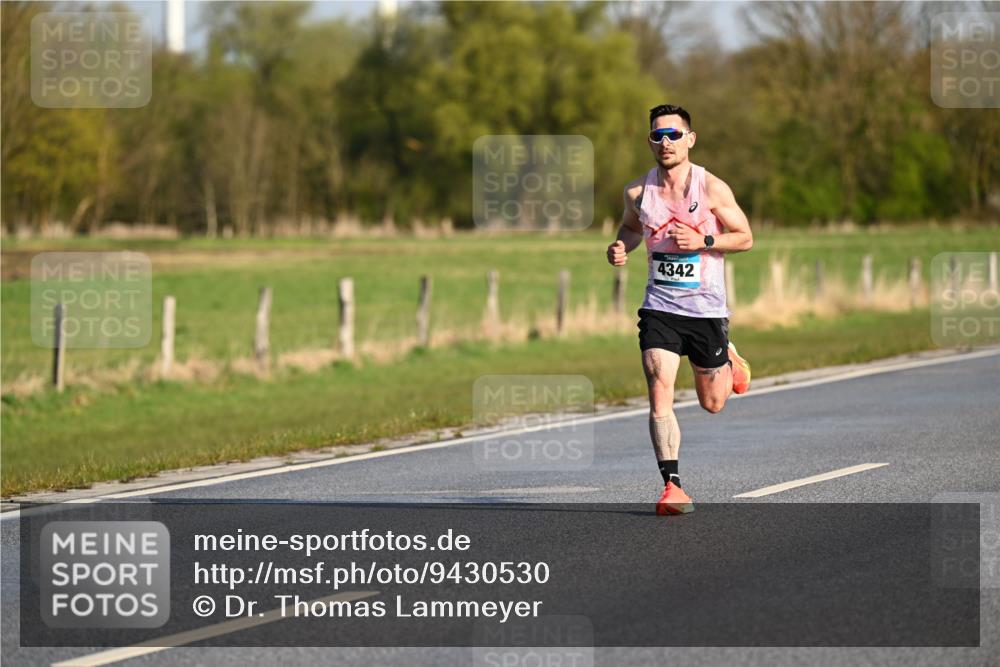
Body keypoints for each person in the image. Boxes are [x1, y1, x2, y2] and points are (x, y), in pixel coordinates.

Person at [606, 104, 753, 516]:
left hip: (706, 311)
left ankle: (729, 360)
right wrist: (620, 247)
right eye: (658, 136)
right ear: (650, 142)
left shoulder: (712, 188)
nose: (665, 142)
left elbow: (745, 237)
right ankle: (672, 486)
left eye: (673, 135)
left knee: (713, 403)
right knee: (659, 388)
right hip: (660, 308)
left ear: (690, 139)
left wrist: (704, 241)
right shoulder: (637, 192)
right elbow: (631, 228)